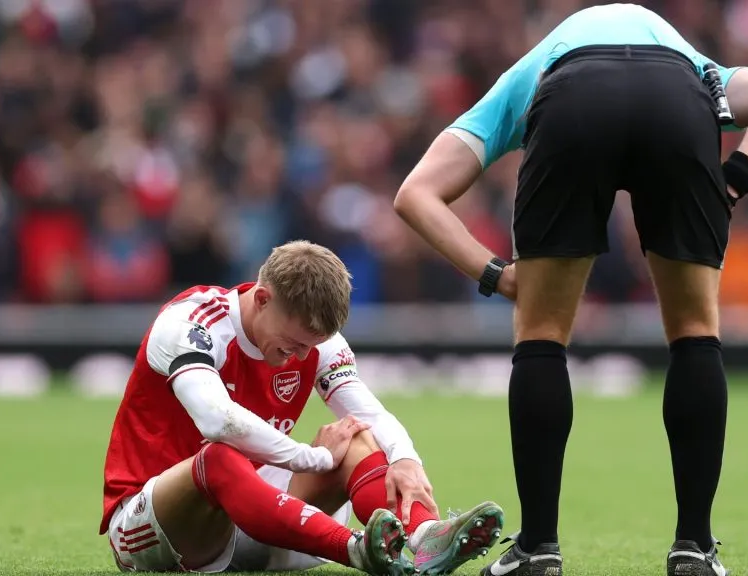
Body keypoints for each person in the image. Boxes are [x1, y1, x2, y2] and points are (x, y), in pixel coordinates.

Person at [393, 4, 748, 576]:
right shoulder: (696, 64)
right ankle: (695, 548)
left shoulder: (525, 75)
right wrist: (737, 175)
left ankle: (538, 549)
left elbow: (414, 195)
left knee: (541, 334)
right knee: (694, 331)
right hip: (676, 100)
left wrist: (496, 274)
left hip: (570, 99)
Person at [100, 240, 505, 575]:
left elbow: (368, 411)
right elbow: (216, 420)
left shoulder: (315, 343)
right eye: (294, 343)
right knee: (220, 457)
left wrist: (406, 459)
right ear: (262, 299)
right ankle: (356, 550)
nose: (299, 356)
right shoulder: (191, 323)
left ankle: (423, 540)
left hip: (254, 516)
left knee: (357, 435)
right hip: (155, 529)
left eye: (310, 347)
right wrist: (311, 457)